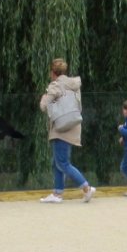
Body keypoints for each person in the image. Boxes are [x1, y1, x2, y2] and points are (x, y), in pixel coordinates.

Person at [38, 58, 94, 203]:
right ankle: (57, 193)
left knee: (62, 162)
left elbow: (44, 106)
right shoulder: (74, 85)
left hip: (60, 127)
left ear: (53, 72)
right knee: (57, 161)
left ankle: (86, 188)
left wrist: (44, 97)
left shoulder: (55, 86)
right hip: (73, 125)